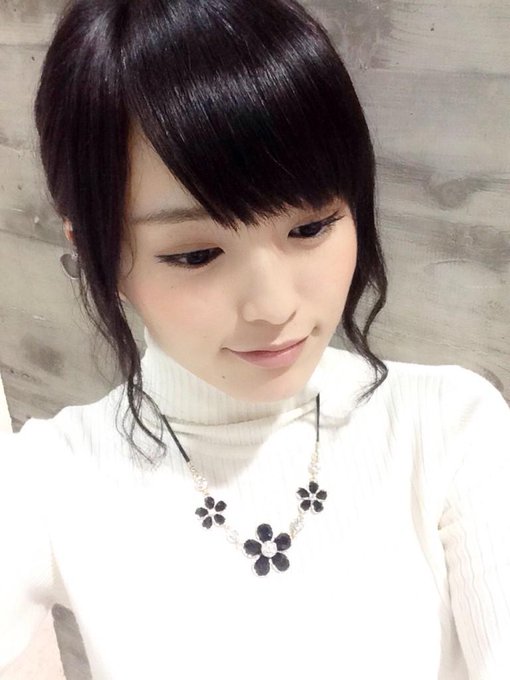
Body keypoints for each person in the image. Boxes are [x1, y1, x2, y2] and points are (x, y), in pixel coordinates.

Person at [1, 0, 509, 678]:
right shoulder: (46, 480)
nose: (273, 307)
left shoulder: (449, 427)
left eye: (310, 228)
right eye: (195, 255)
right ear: (94, 249)